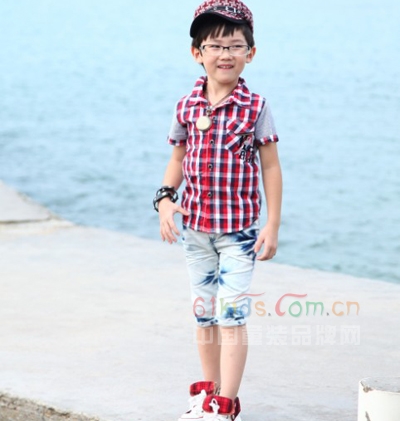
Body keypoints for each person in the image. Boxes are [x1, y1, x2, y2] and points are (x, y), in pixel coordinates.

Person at [153, 1, 282, 419]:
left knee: (231, 316)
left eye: (235, 45)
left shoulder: (256, 107)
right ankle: (206, 394)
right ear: (197, 53)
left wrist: (272, 225)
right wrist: (165, 200)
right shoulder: (186, 106)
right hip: (195, 230)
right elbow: (177, 159)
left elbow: (270, 166)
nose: (225, 54)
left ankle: (225, 404)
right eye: (215, 45)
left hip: (239, 234)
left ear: (251, 53)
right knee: (204, 315)